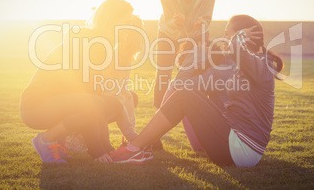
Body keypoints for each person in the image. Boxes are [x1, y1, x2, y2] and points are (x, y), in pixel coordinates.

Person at [110, 15, 284, 167]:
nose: (224, 39)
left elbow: (236, 50)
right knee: (186, 93)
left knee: (184, 95)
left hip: (240, 150)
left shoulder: (261, 65)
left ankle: (134, 148)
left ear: (243, 36)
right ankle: (141, 145)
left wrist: (238, 37)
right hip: (237, 144)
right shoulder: (249, 65)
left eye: (227, 34)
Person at [20, 0, 144, 163]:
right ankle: (46, 139)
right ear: (111, 20)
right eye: (126, 22)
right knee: (96, 102)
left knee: (111, 103)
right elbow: (89, 100)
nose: (130, 28)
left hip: (61, 104)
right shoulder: (92, 44)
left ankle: (59, 140)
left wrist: (107, 147)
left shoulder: (101, 44)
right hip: (36, 108)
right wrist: (98, 150)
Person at [153, 0, 216, 109]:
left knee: (198, 73)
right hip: (169, 33)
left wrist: (202, 23)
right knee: (163, 73)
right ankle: (159, 114)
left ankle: (199, 112)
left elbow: (208, 16)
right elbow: (168, 18)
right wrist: (175, 22)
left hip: (197, 34)